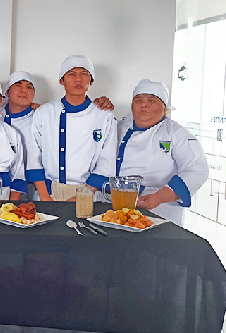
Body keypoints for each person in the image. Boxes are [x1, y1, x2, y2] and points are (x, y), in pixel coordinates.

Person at [116, 79, 208, 225]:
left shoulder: (176, 133)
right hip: (116, 207)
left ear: (164, 108)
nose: (144, 104)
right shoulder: (118, 127)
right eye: (138, 100)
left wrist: (160, 196)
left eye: (152, 101)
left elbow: (197, 169)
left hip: (160, 211)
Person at [32, 55, 117, 201]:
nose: (78, 79)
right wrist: (44, 196)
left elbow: (107, 159)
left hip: (87, 191)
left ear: (90, 81)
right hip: (48, 191)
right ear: (61, 81)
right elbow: (33, 154)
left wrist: (85, 194)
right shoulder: (45, 112)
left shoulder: (103, 115)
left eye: (84, 74)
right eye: (71, 74)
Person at [0, 72, 46, 198]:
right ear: (8, 92)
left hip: (30, 184)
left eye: (29, 87)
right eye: (18, 85)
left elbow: (35, 159)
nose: (24, 90)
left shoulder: (39, 118)